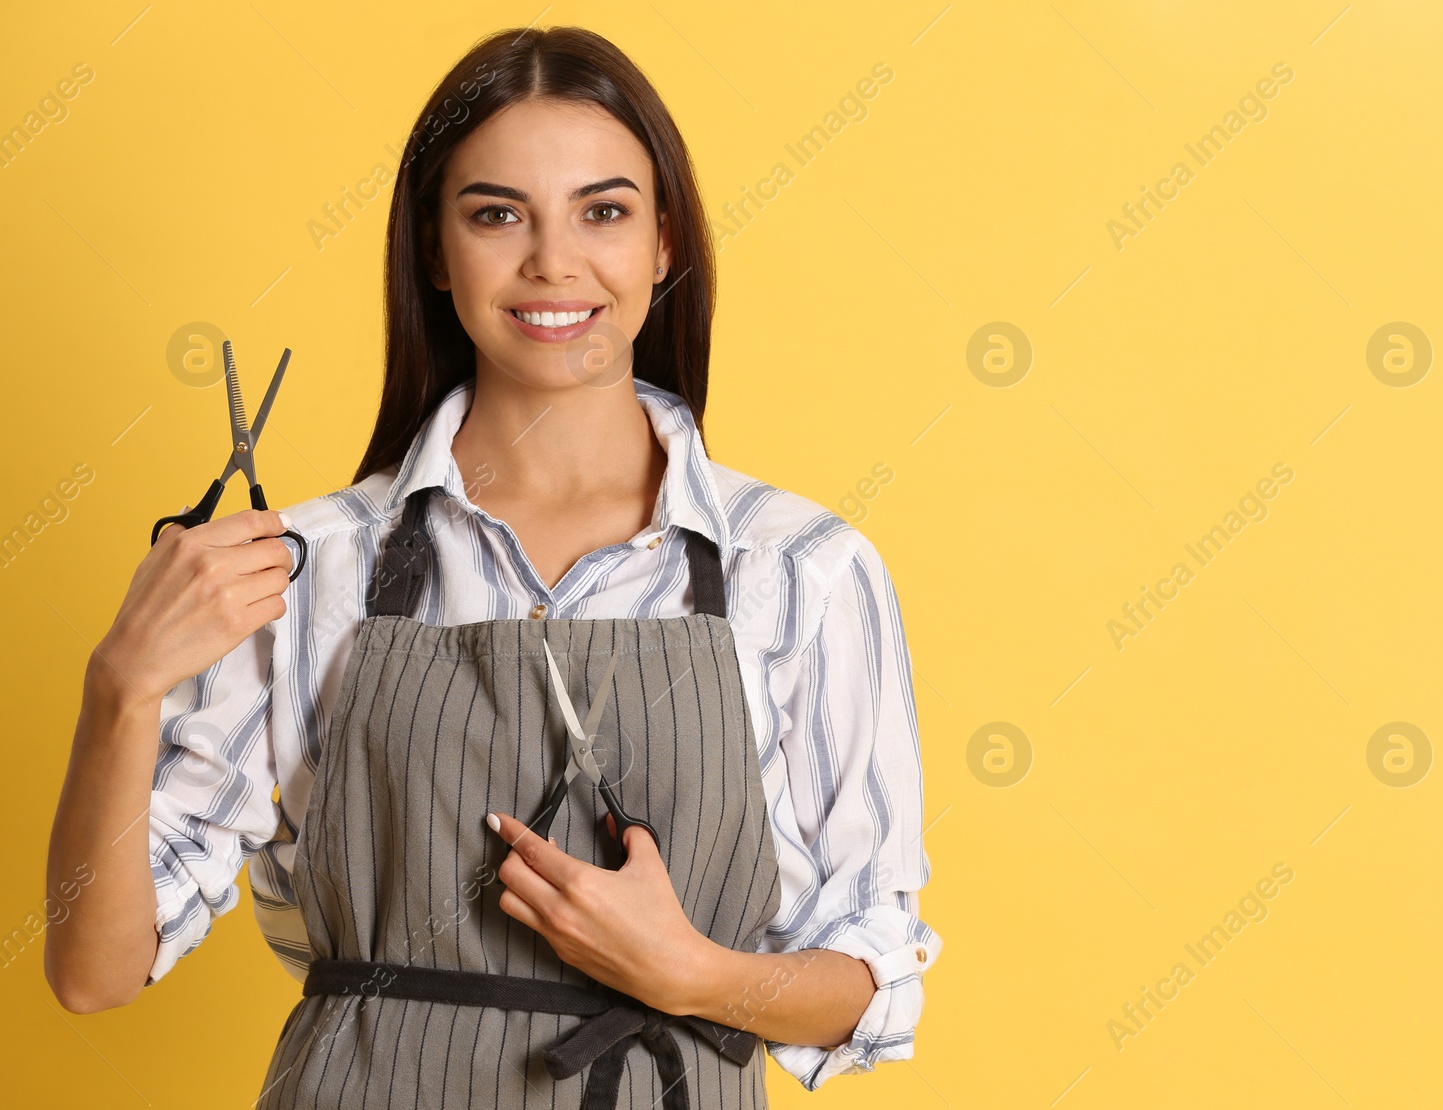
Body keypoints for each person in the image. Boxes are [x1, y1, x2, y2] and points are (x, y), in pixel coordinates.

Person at [44, 24, 939, 1108]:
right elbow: (93, 973)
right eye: (496, 214)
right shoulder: (315, 567)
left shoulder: (801, 572)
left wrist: (690, 972)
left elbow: (870, 968)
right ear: (434, 249)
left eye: (602, 212)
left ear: (663, 244)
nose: (552, 263)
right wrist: (118, 691)